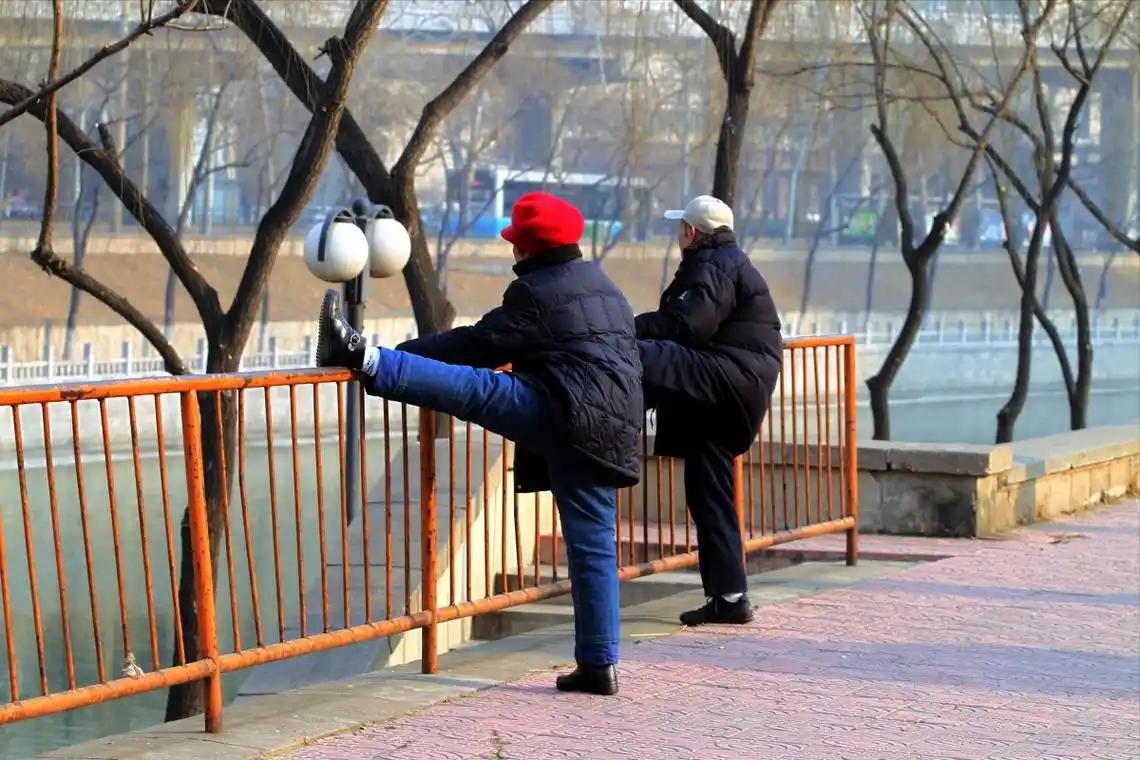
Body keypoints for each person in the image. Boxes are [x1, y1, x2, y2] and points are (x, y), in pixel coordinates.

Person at [315, 192, 642, 695]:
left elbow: (476, 345)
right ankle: (600, 665)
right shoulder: (602, 283)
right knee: (594, 549)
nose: (512, 252)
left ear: (526, 249)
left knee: (480, 388)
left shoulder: (538, 293)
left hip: (568, 413)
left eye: (514, 244)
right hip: (614, 427)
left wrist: (402, 355)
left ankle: (366, 357)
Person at [636, 195, 782, 626]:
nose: (678, 235)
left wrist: (621, 329)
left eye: (680, 228)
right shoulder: (725, 261)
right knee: (708, 487)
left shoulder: (713, 265)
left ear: (691, 233)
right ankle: (730, 597)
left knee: (634, 355)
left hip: (730, 380)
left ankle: (602, 427)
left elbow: (687, 325)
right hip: (734, 383)